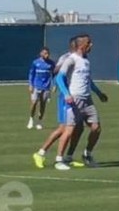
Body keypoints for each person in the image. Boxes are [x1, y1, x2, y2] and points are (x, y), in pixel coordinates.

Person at [53, 34, 108, 170]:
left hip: (87, 99)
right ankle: (59, 160)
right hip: (74, 99)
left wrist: (99, 93)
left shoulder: (86, 61)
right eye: (89, 43)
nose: (91, 45)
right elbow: (59, 78)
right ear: (82, 45)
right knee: (69, 130)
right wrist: (67, 94)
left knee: (96, 128)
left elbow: (88, 81)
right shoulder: (71, 60)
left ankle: (87, 154)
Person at [34, 38, 77, 168]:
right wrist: (59, 87)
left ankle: (68, 157)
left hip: (77, 98)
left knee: (76, 128)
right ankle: (42, 153)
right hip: (66, 97)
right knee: (64, 128)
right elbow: (57, 72)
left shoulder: (82, 59)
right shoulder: (67, 57)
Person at [27, 47, 55, 129]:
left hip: (46, 87)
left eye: (48, 53)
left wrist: (54, 85)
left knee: (43, 105)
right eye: (45, 53)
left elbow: (54, 75)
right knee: (34, 103)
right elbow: (31, 74)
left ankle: (39, 122)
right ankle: (31, 119)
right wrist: (30, 85)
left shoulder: (51, 63)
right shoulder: (35, 63)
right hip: (36, 86)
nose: (47, 55)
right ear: (41, 54)